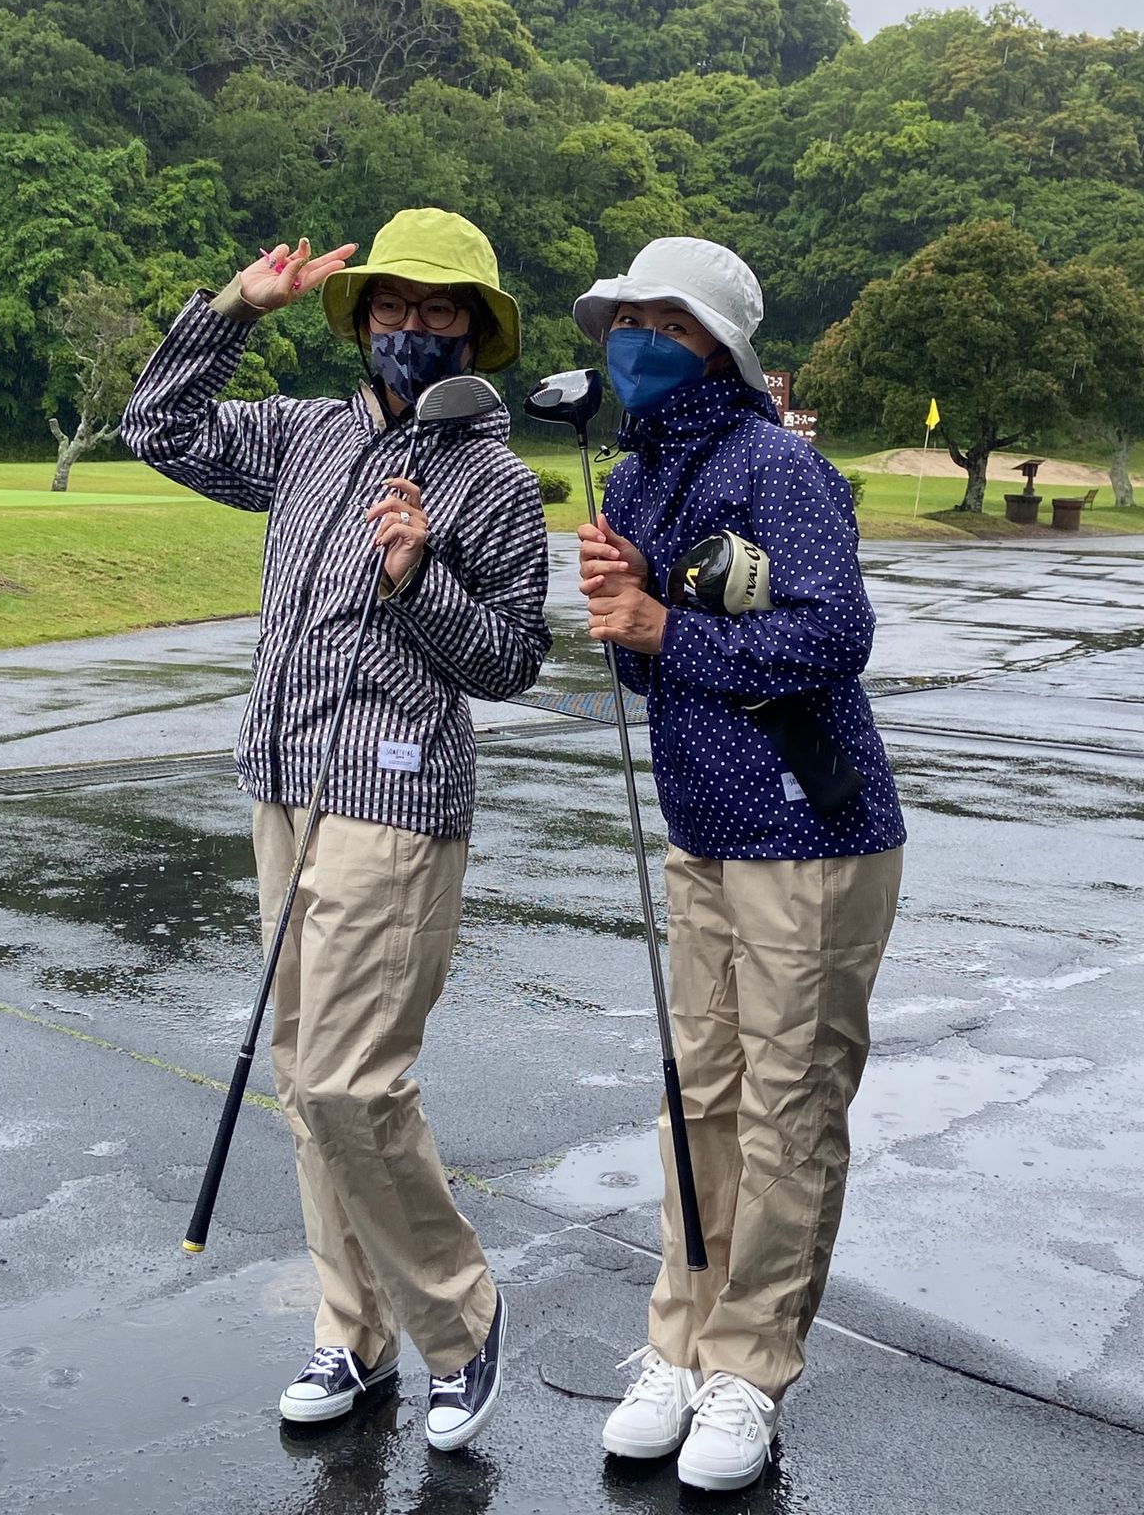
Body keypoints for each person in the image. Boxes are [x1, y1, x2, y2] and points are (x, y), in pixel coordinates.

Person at [122, 208, 551, 1450]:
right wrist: (233, 309)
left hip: (397, 800)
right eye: (392, 306)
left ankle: (464, 1323)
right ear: (361, 319)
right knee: (307, 1093)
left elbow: (515, 661)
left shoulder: (495, 482)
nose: (413, 327)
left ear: (474, 327)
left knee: (349, 1083)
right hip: (283, 786)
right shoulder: (307, 435)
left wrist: (422, 580)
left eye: (439, 309)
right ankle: (351, 1336)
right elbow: (161, 428)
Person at [572, 238, 905, 1493]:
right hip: (705, 829)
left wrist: (663, 621)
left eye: (660, 319)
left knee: (789, 1108)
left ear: (715, 341)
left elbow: (837, 635)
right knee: (697, 1097)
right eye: (622, 318)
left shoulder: (779, 463)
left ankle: (750, 1366)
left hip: (813, 834)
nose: (632, 340)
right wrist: (627, 620)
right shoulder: (641, 479)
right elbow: (648, 670)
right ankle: (680, 1340)